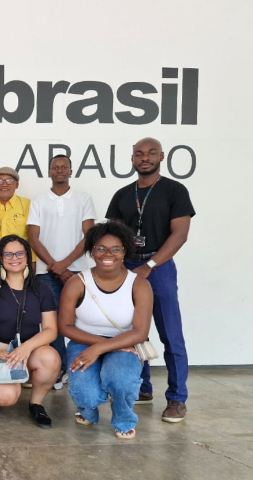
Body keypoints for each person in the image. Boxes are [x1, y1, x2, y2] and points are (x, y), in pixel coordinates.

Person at [106, 137, 195, 423]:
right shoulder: (122, 194)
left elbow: (179, 235)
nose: (145, 158)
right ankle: (142, 388)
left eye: (151, 153)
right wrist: (118, 265)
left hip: (160, 266)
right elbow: (113, 234)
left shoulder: (174, 190)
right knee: (133, 331)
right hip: (127, 266)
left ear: (161, 157)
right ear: (132, 159)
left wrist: (150, 265)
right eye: (139, 154)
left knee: (171, 335)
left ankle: (177, 399)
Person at [58, 222, 153, 439]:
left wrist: (101, 348)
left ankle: (124, 418)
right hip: (83, 340)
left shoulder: (139, 285)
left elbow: (140, 332)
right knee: (86, 394)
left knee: (121, 380)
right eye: (101, 248)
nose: (107, 254)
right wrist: (97, 346)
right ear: (92, 251)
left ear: (125, 251)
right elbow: (64, 326)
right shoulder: (77, 282)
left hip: (124, 343)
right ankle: (87, 411)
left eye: (115, 249)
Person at [0, 235, 60, 428]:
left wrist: (27, 348)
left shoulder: (41, 288)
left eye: (20, 253)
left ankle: (36, 403)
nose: (15, 258)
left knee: (51, 358)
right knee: (5, 398)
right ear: (0, 258)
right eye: (8, 254)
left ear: (27, 256)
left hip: (28, 348)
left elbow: (50, 330)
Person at [27, 155, 97, 389]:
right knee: (52, 324)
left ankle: (85, 368)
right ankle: (61, 369)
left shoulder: (83, 199)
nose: (59, 170)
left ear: (70, 171)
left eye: (64, 167)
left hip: (77, 271)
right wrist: (55, 266)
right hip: (46, 273)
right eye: (55, 167)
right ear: (49, 171)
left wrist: (65, 264)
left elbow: (90, 236)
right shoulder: (39, 200)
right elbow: (33, 238)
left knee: (83, 322)